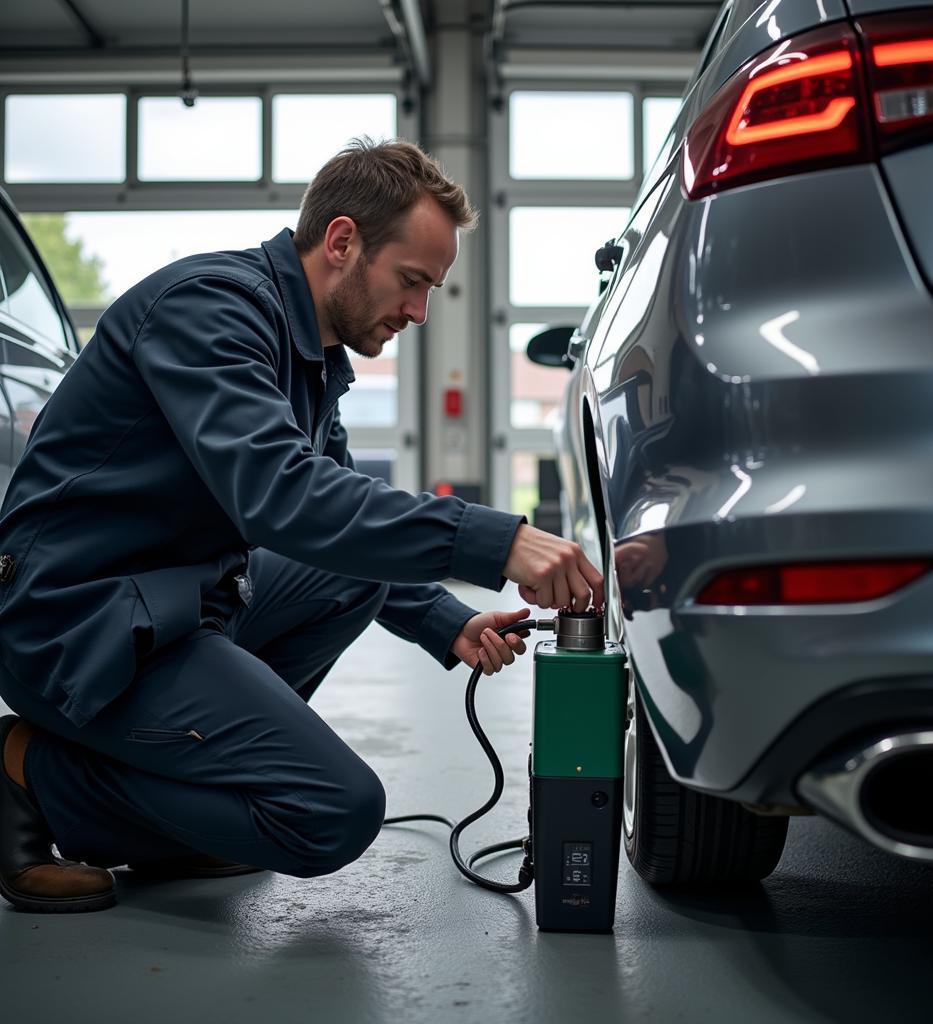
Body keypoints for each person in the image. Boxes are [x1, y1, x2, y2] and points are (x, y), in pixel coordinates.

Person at [0, 139, 603, 914]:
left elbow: (340, 516)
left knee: (349, 566)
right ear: (343, 241)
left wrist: (445, 622)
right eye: (411, 282)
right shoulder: (211, 311)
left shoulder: (309, 355)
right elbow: (281, 498)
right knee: (330, 813)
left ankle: (183, 798)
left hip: (169, 608)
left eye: (432, 291)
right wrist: (497, 539)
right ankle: (30, 775)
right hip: (74, 624)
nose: (419, 312)